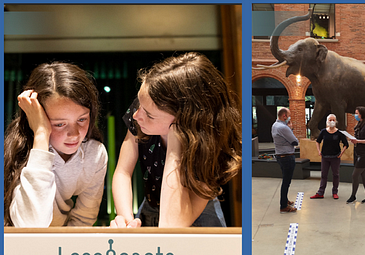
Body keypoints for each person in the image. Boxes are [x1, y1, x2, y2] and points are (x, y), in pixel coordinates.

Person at [110, 52, 240, 228]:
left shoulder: (210, 145)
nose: (136, 115)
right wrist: (126, 219)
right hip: (150, 205)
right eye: (140, 105)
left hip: (197, 213)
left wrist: (175, 144)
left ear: (186, 120)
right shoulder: (143, 112)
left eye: (149, 115)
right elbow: (123, 172)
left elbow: (172, 225)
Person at [4, 63, 107, 227]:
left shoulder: (94, 154)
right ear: (37, 118)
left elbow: (83, 219)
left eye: (82, 119)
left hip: (59, 244)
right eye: (59, 124)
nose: (74, 134)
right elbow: (31, 226)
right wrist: (41, 133)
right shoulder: (23, 148)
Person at [310, 114, 349, 200]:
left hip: (335, 157)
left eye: (333, 120)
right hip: (325, 156)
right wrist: (319, 151)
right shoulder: (323, 131)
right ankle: (320, 192)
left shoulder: (339, 132)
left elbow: (346, 144)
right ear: (327, 121)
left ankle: (335, 192)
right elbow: (318, 141)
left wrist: (341, 153)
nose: (332, 121)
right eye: (330, 120)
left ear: (336, 121)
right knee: (324, 174)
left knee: (335, 174)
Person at [273, 107, 300, 212]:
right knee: (286, 182)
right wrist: (291, 129)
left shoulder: (275, 125)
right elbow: (295, 141)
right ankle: (283, 206)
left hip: (280, 156)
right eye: (289, 115)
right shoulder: (283, 128)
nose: (290, 117)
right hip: (287, 157)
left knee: (285, 180)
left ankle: (285, 199)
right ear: (284, 116)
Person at [346, 106, 365, 203]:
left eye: (357, 113)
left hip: (364, 154)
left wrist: (358, 141)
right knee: (363, 175)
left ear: (361, 114)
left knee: (355, 175)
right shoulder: (359, 124)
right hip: (357, 152)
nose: (355, 115)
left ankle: (353, 196)